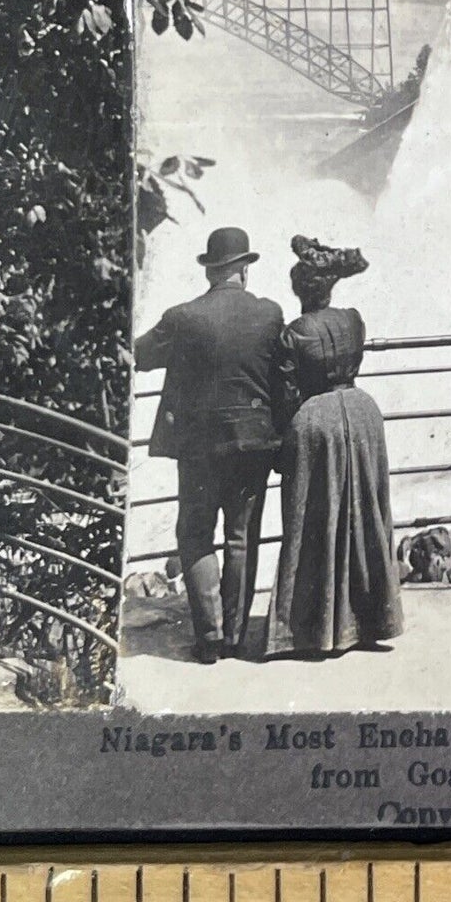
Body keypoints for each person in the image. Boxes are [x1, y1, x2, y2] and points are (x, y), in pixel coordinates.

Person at [133, 227, 283, 664]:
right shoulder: (270, 314)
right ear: (244, 269)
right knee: (241, 538)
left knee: (196, 535)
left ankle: (210, 640)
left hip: (199, 450)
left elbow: (138, 355)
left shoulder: (183, 317)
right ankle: (236, 637)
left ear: (211, 271)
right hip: (253, 444)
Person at [264, 236, 404, 659]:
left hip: (316, 420)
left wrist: (281, 443)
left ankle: (314, 628)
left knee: (312, 518)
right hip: (362, 415)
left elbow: (286, 394)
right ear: (330, 287)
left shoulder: (294, 332)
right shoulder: (354, 320)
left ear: (300, 291)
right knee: (365, 513)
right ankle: (370, 619)